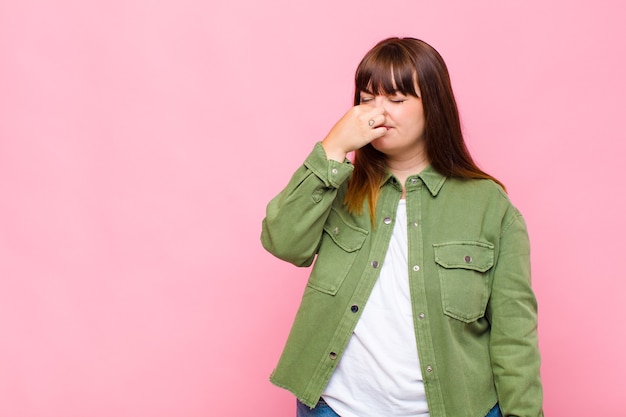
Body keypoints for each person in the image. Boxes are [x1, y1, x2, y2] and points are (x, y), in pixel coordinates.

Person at [261, 37, 543, 417]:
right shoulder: (337, 186)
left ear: (434, 107)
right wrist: (332, 148)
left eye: (396, 100)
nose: (377, 113)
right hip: (337, 408)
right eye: (366, 98)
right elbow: (282, 241)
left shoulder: (489, 205)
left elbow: (514, 338)